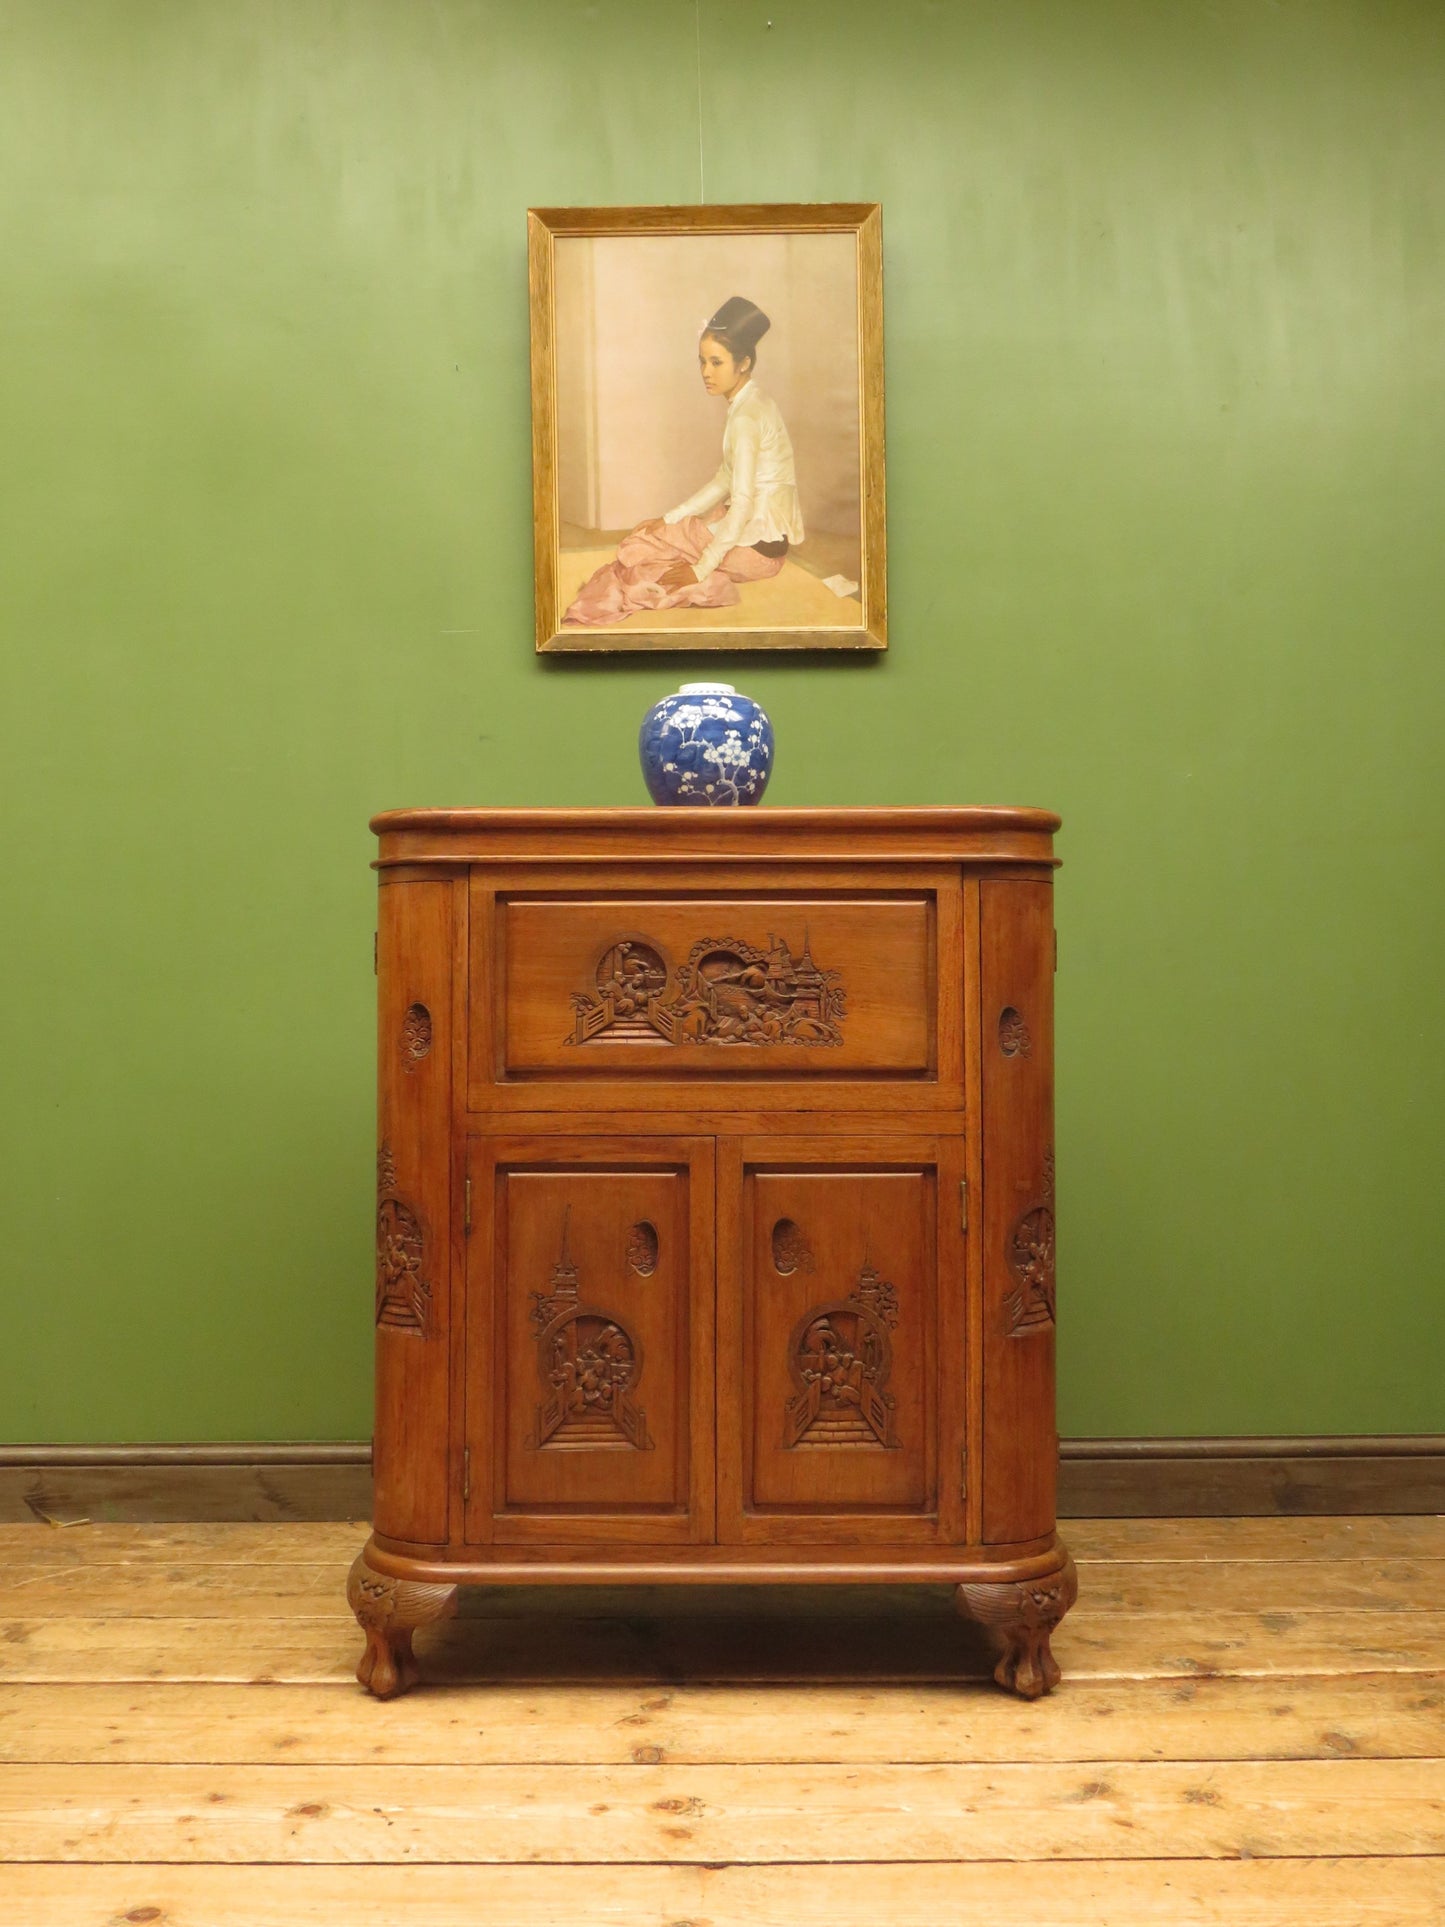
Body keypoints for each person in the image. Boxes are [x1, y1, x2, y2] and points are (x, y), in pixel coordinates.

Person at [562, 295, 805, 627]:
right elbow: (725, 478)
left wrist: (700, 568)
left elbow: (745, 501)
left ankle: (699, 581)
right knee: (668, 533)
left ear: (743, 363)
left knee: (637, 546)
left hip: (756, 554)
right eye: (702, 362)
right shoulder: (754, 400)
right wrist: (669, 517)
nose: (706, 372)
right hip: (767, 546)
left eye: (716, 363)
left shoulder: (746, 418)